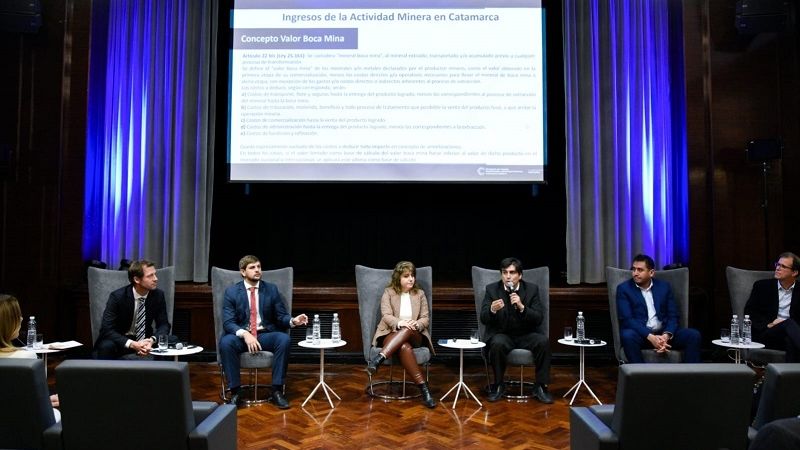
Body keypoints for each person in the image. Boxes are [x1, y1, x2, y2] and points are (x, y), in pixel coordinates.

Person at [219, 255, 308, 409]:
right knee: (226, 342)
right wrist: (246, 334)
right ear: (242, 272)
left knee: (283, 339)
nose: (257, 270)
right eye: (252, 267)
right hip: (242, 336)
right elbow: (228, 322)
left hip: (264, 334)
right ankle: (236, 391)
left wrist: (293, 321)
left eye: (259, 266)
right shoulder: (232, 292)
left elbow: (280, 316)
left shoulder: (271, 289)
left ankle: (277, 390)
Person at [480, 257, 553, 403]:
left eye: (512, 272)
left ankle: (540, 387)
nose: (508, 276)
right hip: (503, 334)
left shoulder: (531, 290)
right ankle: (499, 385)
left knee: (543, 342)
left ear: (520, 275)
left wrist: (522, 307)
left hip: (526, 334)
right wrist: (492, 310)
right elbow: (483, 317)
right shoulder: (492, 289)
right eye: (504, 272)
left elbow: (539, 317)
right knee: (497, 343)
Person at [365, 261, 437, 408]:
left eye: (412, 276)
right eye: (406, 276)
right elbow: (386, 315)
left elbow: (425, 318)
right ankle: (424, 390)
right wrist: (400, 323)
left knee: (408, 328)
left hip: (415, 334)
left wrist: (416, 324)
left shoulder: (419, 294)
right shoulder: (389, 292)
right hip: (391, 334)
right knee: (404, 347)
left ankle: (379, 359)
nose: (411, 279)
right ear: (398, 278)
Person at [616, 254, 701, 363]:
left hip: (663, 333)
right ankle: (640, 376)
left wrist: (666, 336)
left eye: (640, 270)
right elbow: (627, 320)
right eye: (633, 269)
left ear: (651, 272)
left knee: (693, 335)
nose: (635, 273)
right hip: (642, 335)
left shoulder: (664, 287)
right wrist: (651, 337)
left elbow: (673, 315)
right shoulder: (624, 289)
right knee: (627, 335)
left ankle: (691, 377)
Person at [0, 294, 61, 421]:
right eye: (18, 316)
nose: (22, 319)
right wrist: (47, 403)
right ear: (9, 323)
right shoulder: (25, 357)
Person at [94, 260, 171, 359]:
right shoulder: (117, 296)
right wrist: (132, 344)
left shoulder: (158, 295)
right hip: (122, 341)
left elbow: (164, 324)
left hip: (146, 340)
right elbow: (106, 329)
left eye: (155, 274)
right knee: (106, 346)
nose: (156, 279)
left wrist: (152, 340)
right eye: (150, 276)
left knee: (174, 340)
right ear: (137, 279)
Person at [744, 252, 800, 362]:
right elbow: (750, 312)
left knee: (790, 340)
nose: (778, 268)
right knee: (788, 323)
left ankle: (788, 378)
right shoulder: (762, 286)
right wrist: (769, 324)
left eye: (783, 266)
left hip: (791, 336)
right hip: (767, 333)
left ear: (794, 272)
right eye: (777, 264)